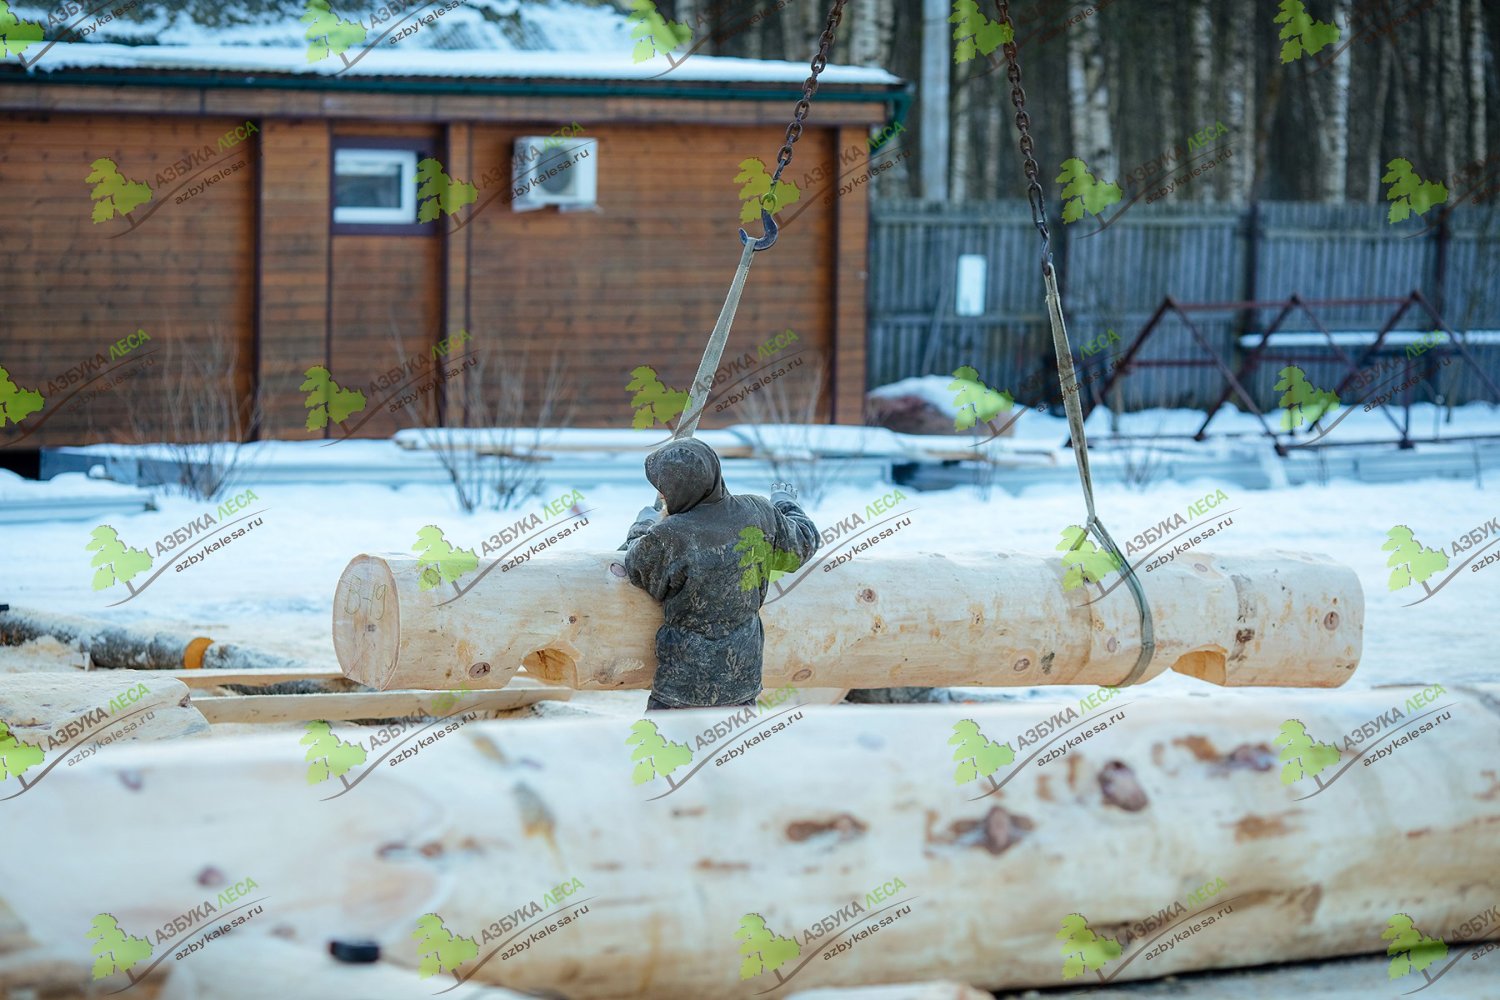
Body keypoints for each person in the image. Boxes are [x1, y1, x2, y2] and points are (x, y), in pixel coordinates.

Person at [621, 438, 819, 711]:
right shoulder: (758, 512)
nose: (662, 495)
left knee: (663, 751)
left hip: (683, 686)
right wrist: (785, 505)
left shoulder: (670, 536)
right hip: (742, 680)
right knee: (731, 752)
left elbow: (636, 565)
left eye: (664, 488)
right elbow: (803, 545)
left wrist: (643, 525)